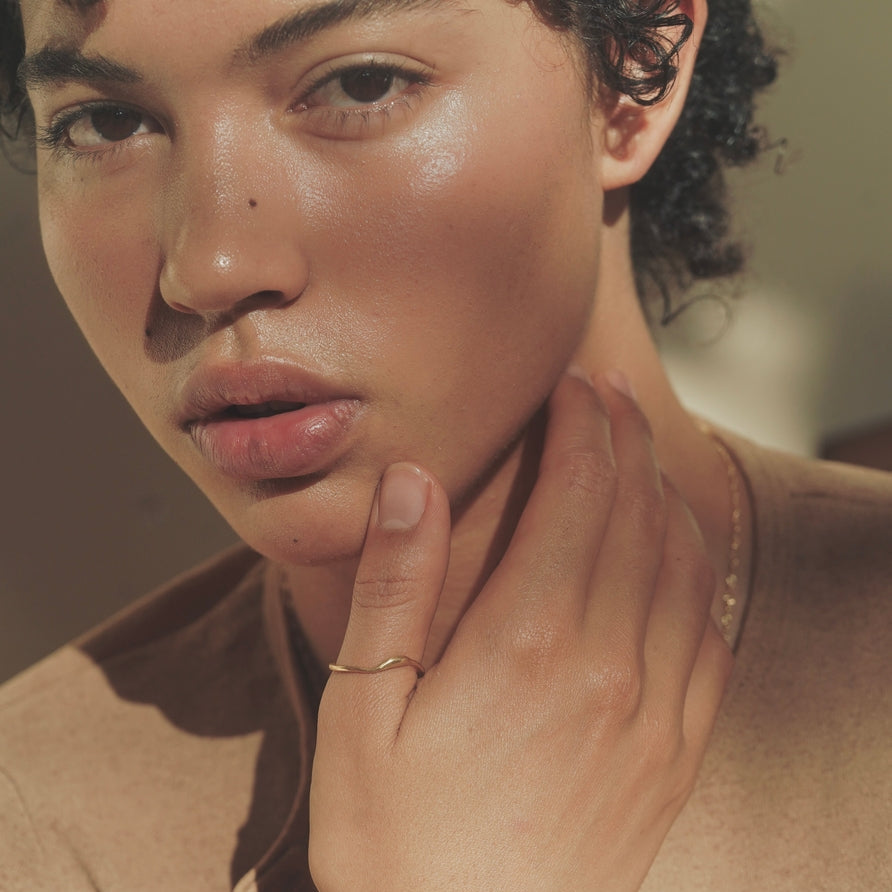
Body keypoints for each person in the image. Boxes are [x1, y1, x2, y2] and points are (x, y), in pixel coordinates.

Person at [1, 0, 889, 890]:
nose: (210, 267)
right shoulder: (33, 825)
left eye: (361, 84)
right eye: (103, 123)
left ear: (630, 69)